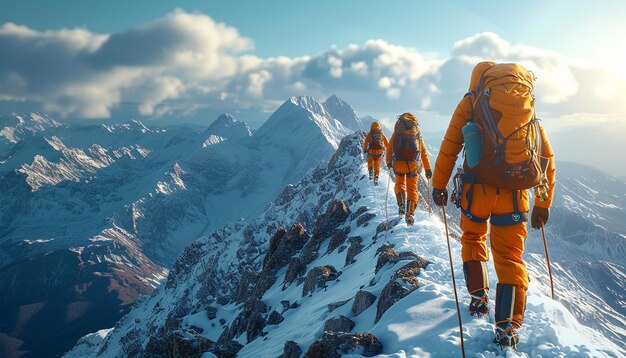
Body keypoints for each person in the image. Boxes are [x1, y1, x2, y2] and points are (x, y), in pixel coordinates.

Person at [431, 61, 556, 349]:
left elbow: (449, 146)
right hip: (515, 195)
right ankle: (507, 327)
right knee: (510, 257)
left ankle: (478, 298)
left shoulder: (471, 102)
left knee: (473, 237)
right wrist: (543, 202)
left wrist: (438, 185)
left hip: (477, 192)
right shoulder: (526, 107)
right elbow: (546, 155)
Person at [386, 112, 432, 226]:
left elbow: (389, 148)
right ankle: (410, 213)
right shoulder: (416, 133)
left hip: (398, 163)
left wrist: (388, 163)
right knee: (412, 189)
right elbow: (423, 152)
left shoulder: (397, 132)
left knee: (400, 183)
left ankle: (401, 204)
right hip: (413, 165)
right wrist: (428, 169)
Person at [363, 121, 389, 185]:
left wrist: (365, 149)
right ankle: (376, 177)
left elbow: (366, 141)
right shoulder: (381, 133)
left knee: (370, 162)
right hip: (379, 152)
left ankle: (370, 172)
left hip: (371, 151)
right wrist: (388, 150)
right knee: (377, 165)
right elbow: (387, 143)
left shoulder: (370, 133)